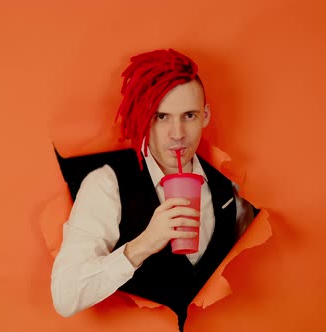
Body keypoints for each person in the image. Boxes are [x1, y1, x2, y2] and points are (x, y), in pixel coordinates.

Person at [51, 49, 255, 331]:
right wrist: (143, 244)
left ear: (205, 115)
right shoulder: (108, 183)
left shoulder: (229, 193)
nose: (177, 133)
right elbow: (65, 295)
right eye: (161, 117)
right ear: (143, 117)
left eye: (189, 115)